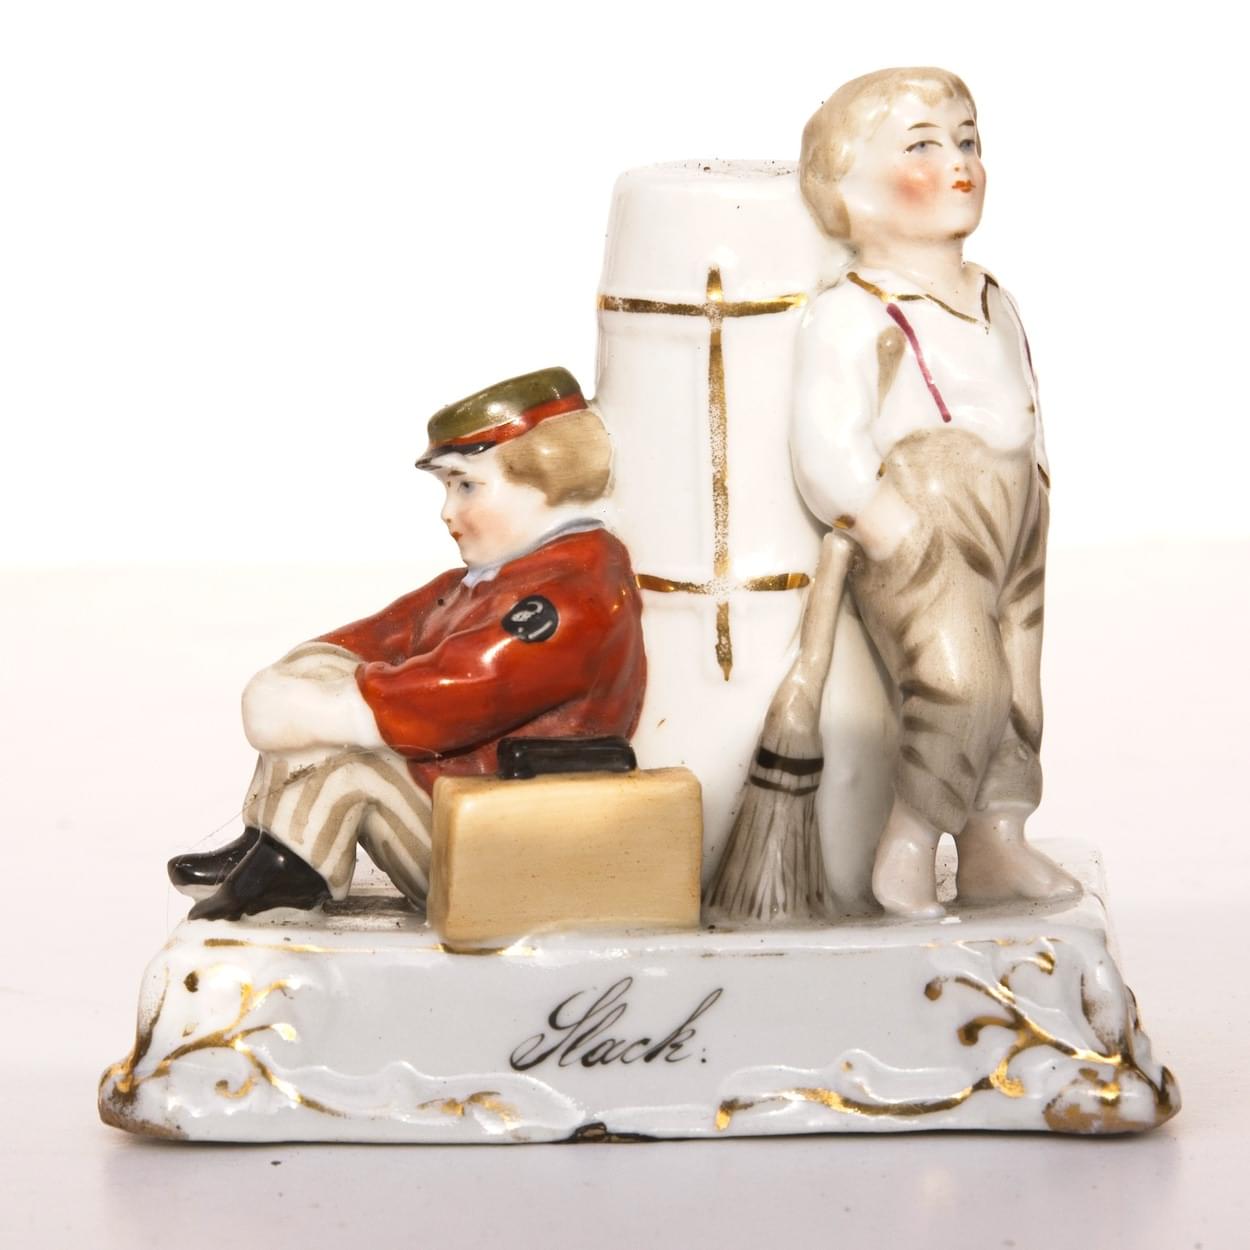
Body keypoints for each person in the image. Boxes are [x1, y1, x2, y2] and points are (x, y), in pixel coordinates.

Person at [168, 368, 647, 920]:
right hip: (459, 801)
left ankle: (290, 872)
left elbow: (463, 691)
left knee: (347, 762)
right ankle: (269, 844)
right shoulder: (485, 581)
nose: (447, 512)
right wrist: (308, 670)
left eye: (466, 486)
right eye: (447, 489)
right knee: (313, 711)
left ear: (547, 480)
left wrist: (328, 708)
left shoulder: (570, 597)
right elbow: (384, 635)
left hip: (507, 839)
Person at [793, 67, 1078, 918]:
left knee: (1018, 689)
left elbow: (1024, 406)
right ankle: (909, 842)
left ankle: (996, 840)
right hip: (924, 526)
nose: (958, 162)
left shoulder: (993, 296)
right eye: (922, 146)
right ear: (848, 188)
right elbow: (826, 451)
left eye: (967, 140)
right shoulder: (855, 312)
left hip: (1015, 517)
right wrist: (894, 533)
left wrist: (1038, 491)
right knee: (962, 682)